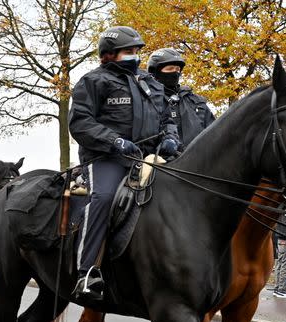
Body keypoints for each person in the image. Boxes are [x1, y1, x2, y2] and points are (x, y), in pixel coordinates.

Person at [68, 26, 180, 302]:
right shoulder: (92, 81)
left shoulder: (150, 82)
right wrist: (115, 142)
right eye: (129, 51)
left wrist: (170, 139)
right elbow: (80, 123)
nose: (135, 56)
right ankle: (87, 273)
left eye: (137, 51)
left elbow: (168, 120)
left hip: (149, 158)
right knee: (104, 198)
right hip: (107, 158)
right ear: (108, 55)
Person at [147, 48, 215, 148]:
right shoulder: (147, 100)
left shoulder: (196, 102)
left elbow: (213, 132)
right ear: (155, 72)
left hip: (198, 160)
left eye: (177, 69)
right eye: (170, 69)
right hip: (159, 160)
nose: (175, 73)